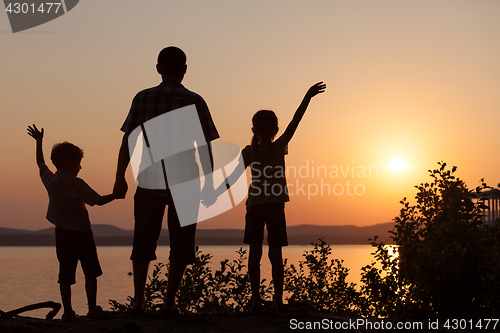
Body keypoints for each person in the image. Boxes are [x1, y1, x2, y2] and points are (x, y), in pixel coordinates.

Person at [113, 46, 219, 315]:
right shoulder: (196, 101)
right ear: (184, 70)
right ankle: (169, 304)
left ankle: (138, 301)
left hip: (150, 177)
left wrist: (119, 176)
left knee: (143, 240)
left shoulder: (143, 98)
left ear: (158, 68)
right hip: (186, 179)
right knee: (181, 243)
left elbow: (128, 139)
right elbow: (205, 146)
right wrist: (209, 183)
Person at [210, 82, 326, 312]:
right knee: (275, 254)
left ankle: (255, 301)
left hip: (254, 207)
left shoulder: (250, 151)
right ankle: (277, 302)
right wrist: (308, 97)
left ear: (253, 130)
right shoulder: (279, 145)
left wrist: (215, 193)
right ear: (274, 130)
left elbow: (232, 177)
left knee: (255, 253)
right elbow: (296, 121)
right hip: (274, 207)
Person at [27, 124, 116, 321]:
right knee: (90, 271)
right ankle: (92, 309)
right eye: (77, 163)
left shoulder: (50, 180)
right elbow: (98, 201)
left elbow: (40, 163)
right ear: (68, 164)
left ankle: (68, 312)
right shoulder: (77, 184)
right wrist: (116, 195)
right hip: (83, 235)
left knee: (65, 273)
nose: (80, 167)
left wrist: (39, 142)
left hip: (62, 235)